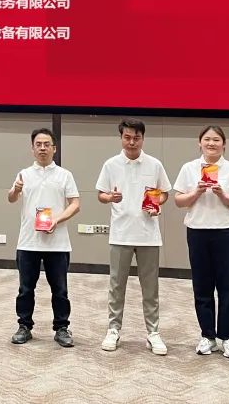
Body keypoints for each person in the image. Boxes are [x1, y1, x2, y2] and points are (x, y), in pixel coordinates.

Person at [96, 118, 172, 356]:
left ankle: (153, 332)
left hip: (148, 235)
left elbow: (165, 193)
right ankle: (113, 329)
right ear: (121, 138)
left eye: (136, 138)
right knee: (116, 285)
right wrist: (109, 198)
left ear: (143, 139)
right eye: (127, 137)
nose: (131, 142)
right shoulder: (111, 164)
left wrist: (157, 202)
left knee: (150, 287)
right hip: (120, 234)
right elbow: (101, 194)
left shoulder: (154, 164)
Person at [173, 125, 229, 358]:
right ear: (199, 143)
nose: (211, 143)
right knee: (201, 286)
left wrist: (223, 195)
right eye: (207, 139)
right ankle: (207, 336)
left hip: (225, 233)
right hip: (197, 232)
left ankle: (227, 338)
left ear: (224, 144)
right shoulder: (189, 168)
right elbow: (178, 201)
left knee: (226, 287)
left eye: (216, 140)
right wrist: (196, 192)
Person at [8, 128, 80, 348]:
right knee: (25, 289)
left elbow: (75, 204)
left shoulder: (65, 175)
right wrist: (16, 190)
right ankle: (24, 326)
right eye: (38, 144)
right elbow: (11, 199)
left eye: (46, 144)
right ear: (32, 148)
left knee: (60, 290)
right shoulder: (24, 174)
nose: (42, 148)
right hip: (28, 242)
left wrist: (57, 219)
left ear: (54, 148)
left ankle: (62, 328)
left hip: (57, 243)